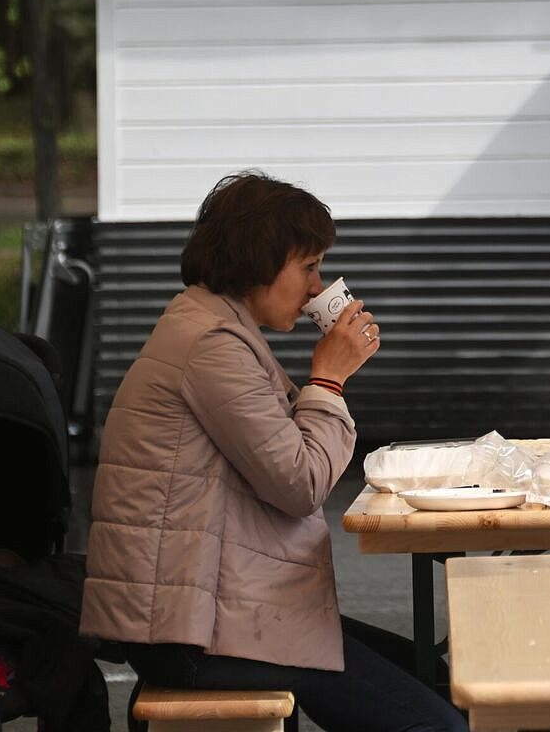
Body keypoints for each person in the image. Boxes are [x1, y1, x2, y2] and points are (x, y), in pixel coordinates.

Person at [81, 173, 464, 732]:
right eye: (308, 266)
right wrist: (329, 379)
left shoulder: (213, 326)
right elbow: (300, 482)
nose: (317, 287)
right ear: (258, 261)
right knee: (435, 723)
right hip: (191, 633)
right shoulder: (212, 345)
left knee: (433, 674)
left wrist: (327, 384)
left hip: (208, 612)